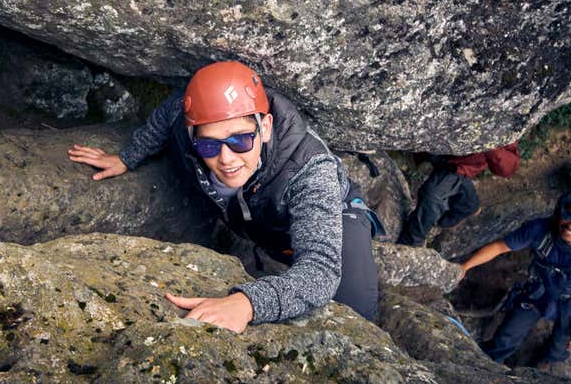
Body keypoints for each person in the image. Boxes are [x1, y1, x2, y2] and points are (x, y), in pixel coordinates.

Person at [68, 61, 379, 333]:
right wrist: (127, 158)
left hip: (333, 215)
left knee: (358, 318)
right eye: (209, 146)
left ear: (265, 126)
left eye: (241, 140)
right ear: (193, 137)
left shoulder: (310, 168)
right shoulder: (188, 122)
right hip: (259, 217)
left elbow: (320, 271)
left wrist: (248, 303)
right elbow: (168, 114)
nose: (226, 159)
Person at [460, 184, 571, 367]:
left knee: (559, 347)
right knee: (506, 336)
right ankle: (489, 364)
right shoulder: (540, 229)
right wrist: (465, 267)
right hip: (537, 295)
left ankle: (546, 361)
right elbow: (500, 246)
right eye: (568, 215)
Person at [398, 143, 520, 247]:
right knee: (449, 187)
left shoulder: (503, 125)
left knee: (432, 196)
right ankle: (469, 205)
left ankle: (411, 241)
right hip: (443, 153)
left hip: (458, 165)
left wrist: (490, 145)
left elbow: (507, 168)